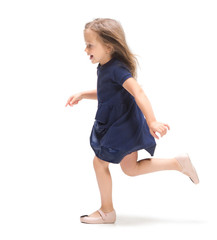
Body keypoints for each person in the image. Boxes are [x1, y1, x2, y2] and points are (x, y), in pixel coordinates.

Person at [66, 18, 199, 224]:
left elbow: (138, 92)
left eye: (90, 45)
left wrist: (152, 121)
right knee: (130, 168)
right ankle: (178, 163)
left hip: (122, 126)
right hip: (120, 123)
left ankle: (107, 211)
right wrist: (84, 94)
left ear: (108, 46)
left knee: (99, 162)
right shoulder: (105, 66)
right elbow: (107, 94)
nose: (86, 49)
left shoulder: (117, 69)